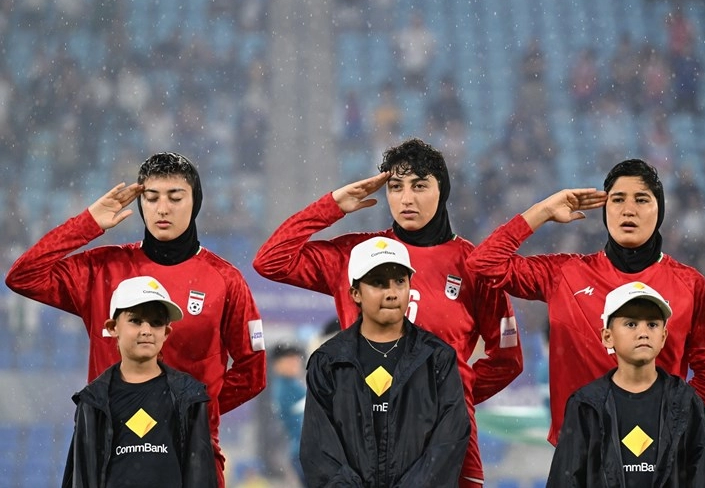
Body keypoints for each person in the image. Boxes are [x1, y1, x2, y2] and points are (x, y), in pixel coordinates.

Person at [254, 138, 522, 487]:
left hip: (444, 444)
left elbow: (507, 360)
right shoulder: (356, 255)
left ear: (442, 191)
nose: (406, 198)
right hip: (361, 435)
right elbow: (271, 261)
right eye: (396, 187)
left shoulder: (474, 265)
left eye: (419, 186)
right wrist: (332, 206)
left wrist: (446, 396)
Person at [5, 152, 266, 487]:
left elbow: (252, 372)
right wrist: (87, 223)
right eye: (151, 197)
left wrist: (193, 413)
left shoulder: (226, 280)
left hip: (189, 451)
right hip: (107, 449)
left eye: (175, 198)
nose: (162, 208)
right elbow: (23, 276)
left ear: (195, 202)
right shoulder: (103, 268)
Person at [466, 158, 705, 446]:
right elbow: (483, 264)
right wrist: (542, 211)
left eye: (641, 199)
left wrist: (666, 421)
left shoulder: (691, 286)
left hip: (658, 454)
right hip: (579, 454)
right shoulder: (565, 274)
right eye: (617, 199)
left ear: (660, 211)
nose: (628, 209)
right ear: (605, 210)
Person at [300, 236, 470, 486]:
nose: (392, 293)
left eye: (400, 281)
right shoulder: (328, 362)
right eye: (378, 283)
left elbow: (449, 442)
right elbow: (319, 450)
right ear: (355, 293)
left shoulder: (437, 358)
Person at [547, 281, 705, 487]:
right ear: (607, 337)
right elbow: (565, 481)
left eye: (652, 324)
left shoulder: (686, 401)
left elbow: (703, 479)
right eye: (631, 324)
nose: (643, 332)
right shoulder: (585, 404)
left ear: (663, 337)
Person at [62, 275, 217, 487]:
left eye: (156, 323)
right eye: (135, 321)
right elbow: (82, 476)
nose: (146, 330)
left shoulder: (189, 396)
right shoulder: (92, 401)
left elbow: (200, 476)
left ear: (166, 332)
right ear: (112, 327)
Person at [270, 341, 307, 486]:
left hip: (304, 452)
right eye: (289, 359)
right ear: (277, 365)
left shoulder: (293, 385)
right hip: (305, 452)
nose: (295, 363)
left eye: (296, 358)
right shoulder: (285, 389)